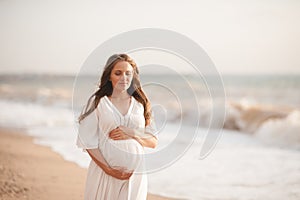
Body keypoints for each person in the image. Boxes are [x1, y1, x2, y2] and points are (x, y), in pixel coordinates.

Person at [76, 53, 158, 200]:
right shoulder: (98, 102)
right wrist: (109, 170)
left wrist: (132, 132)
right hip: (104, 173)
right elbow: (88, 142)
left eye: (128, 73)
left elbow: (153, 142)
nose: (124, 78)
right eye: (118, 73)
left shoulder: (141, 103)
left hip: (136, 175)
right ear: (109, 76)